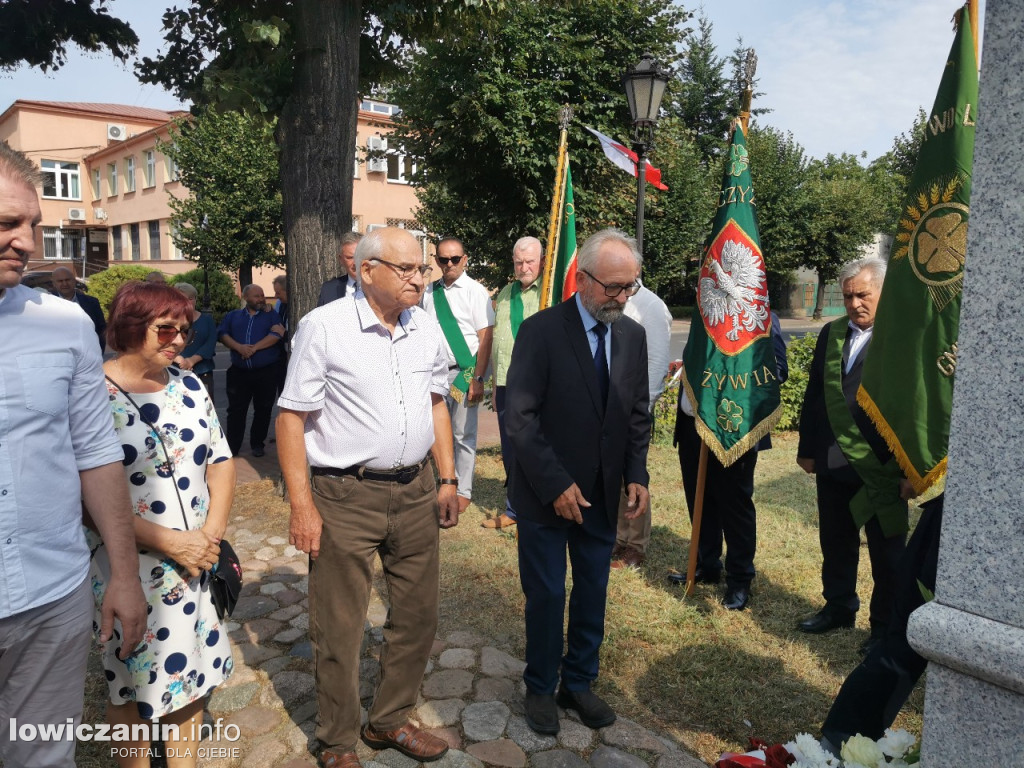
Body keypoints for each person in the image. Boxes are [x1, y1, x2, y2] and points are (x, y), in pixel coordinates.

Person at [277, 227, 458, 768]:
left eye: (422, 269)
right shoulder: (324, 328)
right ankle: (337, 741)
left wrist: (447, 479)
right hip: (344, 494)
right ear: (368, 270)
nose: (418, 279)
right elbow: (291, 419)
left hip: (417, 490)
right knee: (339, 623)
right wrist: (301, 504)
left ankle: (389, 720)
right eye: (406, 270)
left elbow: (437, 403)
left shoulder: (425, 327)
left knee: (418, 615)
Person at [0, 141, 145, 768]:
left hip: (48, 595)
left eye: (33, 225)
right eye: (8, 222)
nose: (28, 243)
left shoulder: (64, 324)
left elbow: (95, 451)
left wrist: (124, 573)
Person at [506, 228, 651, 735]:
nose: (621, 297)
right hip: (546, 494)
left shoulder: (632, 335)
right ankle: (541, 686)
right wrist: (555, 484)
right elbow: (519, 417)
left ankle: (579, 682)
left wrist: (637, 474)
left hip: (603, 494)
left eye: (629, 286)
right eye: (612, 287)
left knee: (593, 590)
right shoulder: (541, 331)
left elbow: (637, 412)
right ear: (583, 279)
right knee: (547, 594)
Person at [89, 280, 236, 768]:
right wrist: (173, 542)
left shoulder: (189, 383)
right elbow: (83, 497)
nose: (178, 340)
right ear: (131, 327)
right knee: (127, 685)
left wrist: (208, 538)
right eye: (165, 329)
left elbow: (220, 460)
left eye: (185, 330)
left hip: (196, 563)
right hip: (128, 567)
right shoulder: (90, 392)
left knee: (192, 678)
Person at [796, 256, 907, 646]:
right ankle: (839, 606)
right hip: (831, 460)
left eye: (863, 294)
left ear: (882, 292)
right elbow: (815, 395)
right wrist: (807, 449)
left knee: (886, 555)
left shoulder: (903, 336)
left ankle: (883, 629)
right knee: (836, 542)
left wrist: (911, 471)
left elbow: (914, 408)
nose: (854, 303)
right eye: (847, 296)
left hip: (881, 467)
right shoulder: (831, 333)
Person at [667, 311, 788, 609]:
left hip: (733, 429)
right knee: (699, 498)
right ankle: (706, 564)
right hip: (693, 426)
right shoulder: (702, 312)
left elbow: (778, 371)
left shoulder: (760, 316)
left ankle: (739, 579)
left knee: (735, 506)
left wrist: (730, 371)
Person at [421, 237, 495, 514]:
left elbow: (485, 337)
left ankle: (463, 489)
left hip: (464, 375)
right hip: (434, 375)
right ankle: (443, 482)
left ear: (465, 259)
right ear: (437, 261)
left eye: (454, 259)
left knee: (463, 433)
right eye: (443, 259)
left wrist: (478, 378)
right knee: (434, 433)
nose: (449, 264)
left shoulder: (476, 292)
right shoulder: (429, 293)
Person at [610, 277, 672, 568]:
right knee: (612, 475)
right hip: (607, 407)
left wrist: (639, 411)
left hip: (632, 410)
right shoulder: (607, 300)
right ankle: (617, 538)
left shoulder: (651, 306)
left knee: (633, 476)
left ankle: (634, 544)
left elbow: (657, 364)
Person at [484, 235, 544, 530]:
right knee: (510, 449)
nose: (524, 267)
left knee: (535, 447)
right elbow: (498, 342)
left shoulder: (550, 293)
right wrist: (495, 386)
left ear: (541, 261)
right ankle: (515, 509)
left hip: (538, 384)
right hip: (506, 383)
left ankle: (538, 506)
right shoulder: (506, 293)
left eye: (530, 261)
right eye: (519, 262)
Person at [218, 284, 284, 458]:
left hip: (265, 372)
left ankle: (257, 443)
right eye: (256, 296)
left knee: (263, 409)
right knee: (235, 411)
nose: (261, 299)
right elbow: (223, 334)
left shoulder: (271, 315)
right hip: (239, 373)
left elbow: (277, 335)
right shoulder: (234, 316)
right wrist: (239, 347)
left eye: (262, 295)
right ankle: (232, 446)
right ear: (246, 297)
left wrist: (253, 348)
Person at [173, 282, 218, 402]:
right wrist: (179, 359)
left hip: (203, 371)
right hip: (175, 372)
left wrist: (192, 360)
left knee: (205, 406)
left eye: (191, 299)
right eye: (182, 299)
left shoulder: (206, 320)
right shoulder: (170, 320)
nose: (188, 302)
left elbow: (210, 344)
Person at [52, 265, 107, 352]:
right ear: (54, 284)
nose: (65, 284)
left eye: (67, 280)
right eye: (60, 281)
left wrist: (99, 351)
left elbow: (101, 330)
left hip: (88, 354)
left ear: (74, 281)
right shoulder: (48, 304)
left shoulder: (92, 303)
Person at [317, 231, 363, 306]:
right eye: (350, 258)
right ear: (341, 260)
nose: (355, 262)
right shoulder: (329, 289)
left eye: (360, 256)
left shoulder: (381, 287)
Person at [271, 274, 290, 396]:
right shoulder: (280, 304)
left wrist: (285, 334)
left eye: (278, 293)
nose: (275, 296)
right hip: (282, 358)